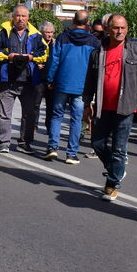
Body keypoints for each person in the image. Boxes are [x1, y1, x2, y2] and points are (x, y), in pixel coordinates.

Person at [83, 15, 137, 201]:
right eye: (115, 28)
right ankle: (116, 169)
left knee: (119, 148)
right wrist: (87, 104)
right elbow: (90, 80)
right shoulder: (98, 52)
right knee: (97, 143)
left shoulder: (136, 50)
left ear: (127, 29)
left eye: (123, 28)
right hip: (102, 107)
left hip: (126, 106)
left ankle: (112, 184)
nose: (119, 31)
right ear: (108, 29)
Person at [44, 10, 101, 164]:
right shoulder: (94, 42)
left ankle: (52, 147)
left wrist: (50, 78)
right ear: (87, 23)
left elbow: (54, 59)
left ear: (73, 22)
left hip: (62, 82)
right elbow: (96, 66)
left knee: (57, 115)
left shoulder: (63, 37)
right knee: (76, 119)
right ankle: (71, 153)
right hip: (82, 86)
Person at [0, 4, 47, 154]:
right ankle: (3, 142)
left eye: (24, 16)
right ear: (13, 17)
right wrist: (8, 56)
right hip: (7, 79)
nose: (21, 19)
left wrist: (31, 57)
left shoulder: (36, 35)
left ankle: (25, 142)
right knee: (4, 113)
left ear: (28, 18)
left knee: (29, 114)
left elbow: (44, 53)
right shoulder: (3, 32)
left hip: (29, 81)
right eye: (18, 15)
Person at [34, 21, 56, 137]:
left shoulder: (55, 44)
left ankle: (50, 127)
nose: (49, 35)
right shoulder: (37, 42)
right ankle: (34, 126)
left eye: (51, 32)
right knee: (36, 103)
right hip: (39, 78)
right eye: (47, 32)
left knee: (51, 105)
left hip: (51, 79)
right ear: (42, 32)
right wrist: (36, 63)